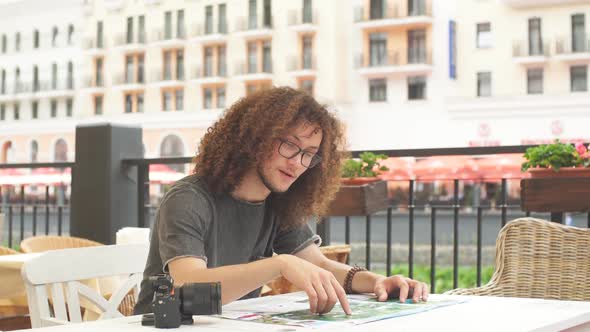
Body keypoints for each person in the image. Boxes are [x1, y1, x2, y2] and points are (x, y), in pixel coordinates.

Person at [134, 87, 429, 315]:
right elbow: (188, 288)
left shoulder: (279, 202)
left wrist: (377, 281)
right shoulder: (189, 199)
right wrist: (279, 265)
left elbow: (317, 265)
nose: (298, 163)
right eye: (289, 144)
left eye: (309, 153)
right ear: (254, 138)